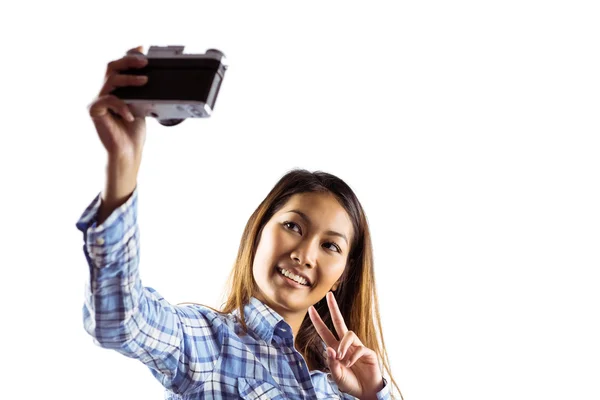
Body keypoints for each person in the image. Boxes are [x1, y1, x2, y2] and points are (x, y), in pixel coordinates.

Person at [76, 46, 403, 400]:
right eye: (293, 226)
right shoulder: (208, 345)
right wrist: (122, 164)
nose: (305, 255)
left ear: (342, 274)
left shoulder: (341, 387)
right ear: (258, 232)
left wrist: (371, 395)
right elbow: (120, 321)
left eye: (330, 246)